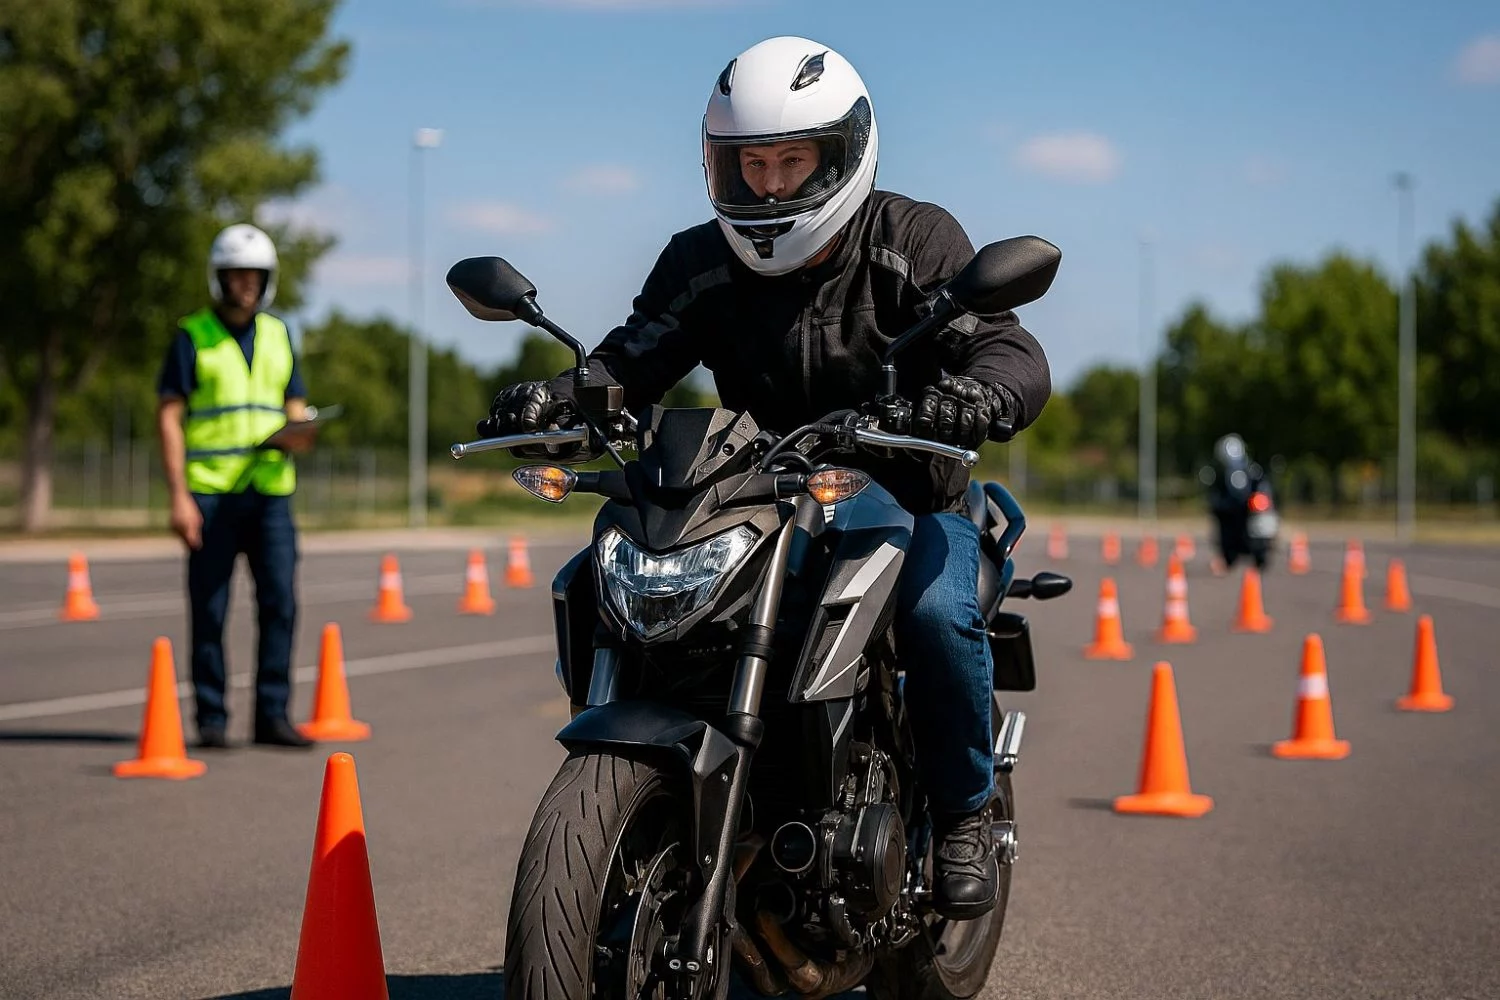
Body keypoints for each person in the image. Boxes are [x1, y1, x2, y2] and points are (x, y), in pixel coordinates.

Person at [478, 37, 1051, 919]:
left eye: (793, 161)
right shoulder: (698, 261)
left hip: (909, 488)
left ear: (843, 156)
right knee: (604, 577)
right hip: (759, 493)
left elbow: (1006, 346)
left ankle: (964, 812)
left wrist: (972, 397)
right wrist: (558, 397)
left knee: (937, 616)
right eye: (753, 165)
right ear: (719, 165)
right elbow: (634, 356)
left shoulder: (914, 239)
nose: (773, 187)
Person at [156, 223, 315, 750]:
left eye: (254, 276)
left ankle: (272, 715)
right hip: (209, 493)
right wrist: (179, 496)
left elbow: (294, 407)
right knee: (211, 609)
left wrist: (301, 431)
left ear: (266, 281)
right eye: (235, 275)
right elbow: (169, 416)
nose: (245, 285)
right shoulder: (191, 335)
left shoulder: (279, 333)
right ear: (218, 279)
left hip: (269, 493)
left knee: (280, 605)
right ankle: (212, 719)